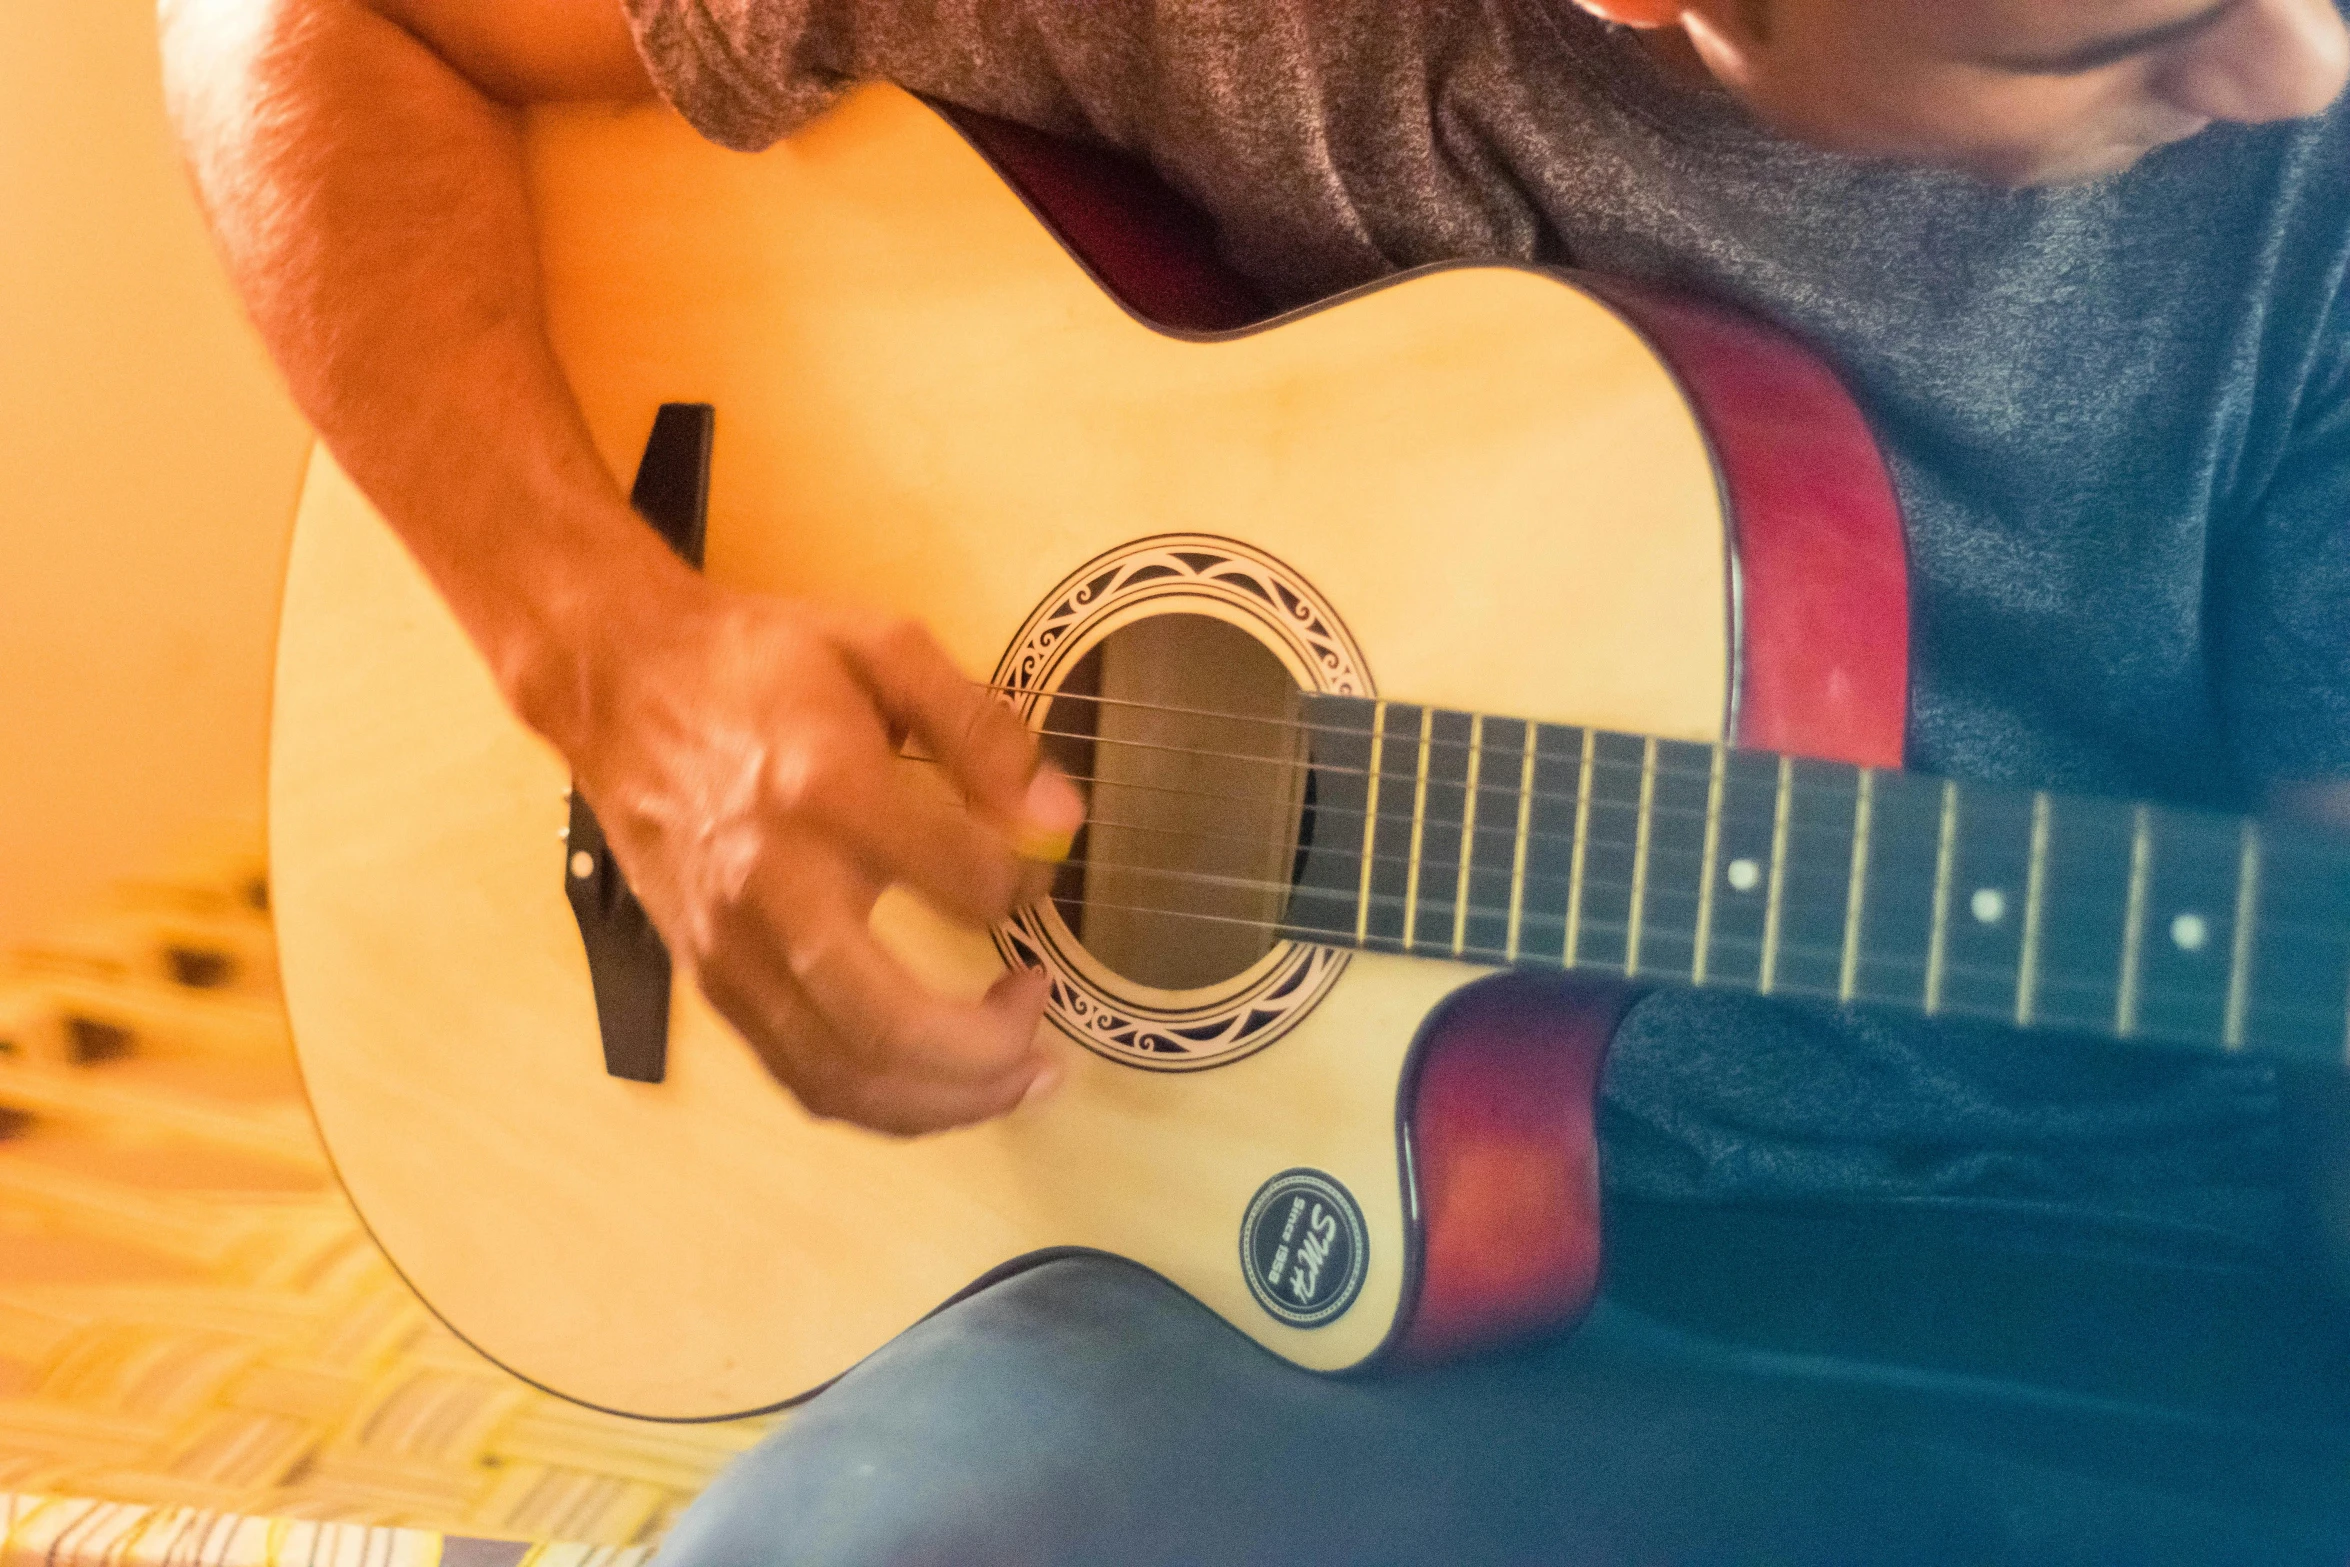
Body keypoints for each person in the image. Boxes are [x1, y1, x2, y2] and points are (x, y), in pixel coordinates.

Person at [163, 0, 2350, 1558]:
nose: (2292, 59)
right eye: (2108, 34)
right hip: (1216, 1289)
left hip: (2110, 1294)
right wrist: (611, 656)